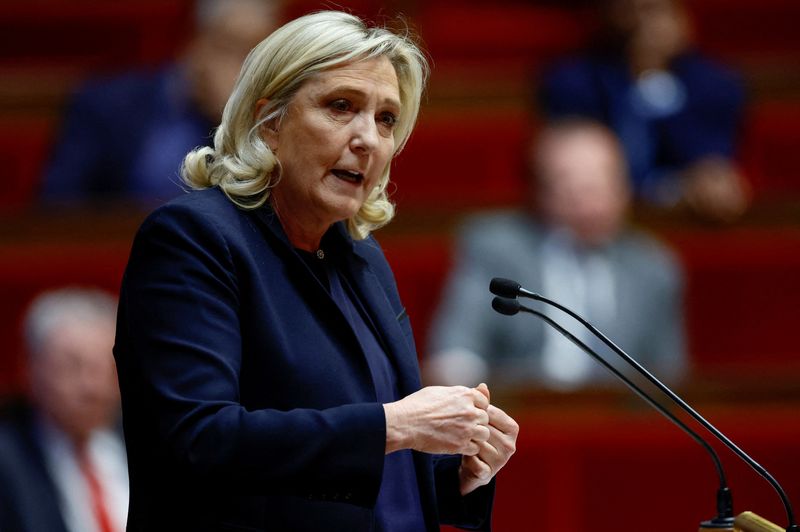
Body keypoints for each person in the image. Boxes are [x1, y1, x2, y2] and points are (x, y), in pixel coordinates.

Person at [113, 11, 518, 532]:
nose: (368, 138)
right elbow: (198, 440)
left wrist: (459, 473)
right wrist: (395, 425)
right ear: (270, 122)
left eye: (387, 119)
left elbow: (364, 476)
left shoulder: (360, 258)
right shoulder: (195, 239)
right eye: (341, 106)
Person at [426, 119, 686, 391]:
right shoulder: (494, 248)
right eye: (570, 184)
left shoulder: (653, 266)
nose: (588, 200)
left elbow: (668, 375)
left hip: (617, 421)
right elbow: (456, 353)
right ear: (540, 190)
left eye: (600, 183)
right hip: (519, 414)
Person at [40, 0, 280, 206]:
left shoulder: (267, 117)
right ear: (196, 43)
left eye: (260, 54)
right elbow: (57, 210)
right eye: (234, 48)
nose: (248, 70)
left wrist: (236, 123)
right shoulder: (108, 104)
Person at [539, 0, 749, 222]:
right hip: (602, 208)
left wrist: (658, 77)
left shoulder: (716, 83)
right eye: (632, 9)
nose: (644, 23)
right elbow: (601, 166)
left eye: (656, 9)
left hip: (685, 202)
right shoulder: (574, 81)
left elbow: (706, 158)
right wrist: (640, 71)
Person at [0, 288, 128, 532]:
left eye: (106, 368)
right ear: (29, 369)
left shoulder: (152, 443)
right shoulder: (7, 461)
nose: (93, 386)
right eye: (72, 366)